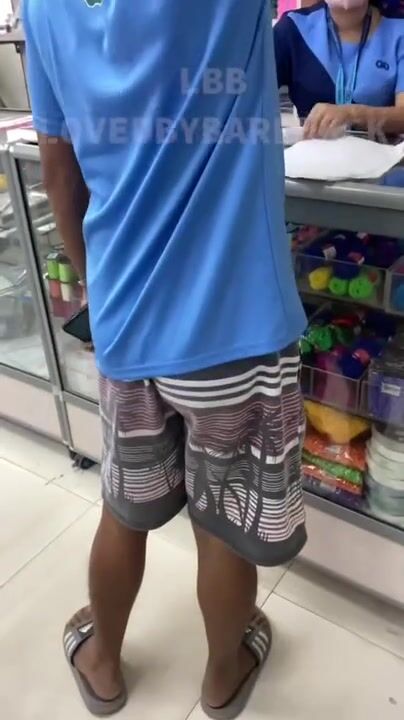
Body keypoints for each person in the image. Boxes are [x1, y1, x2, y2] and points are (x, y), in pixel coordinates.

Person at [23, 1, 307, 717]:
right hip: (233, 323)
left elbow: (58, 168)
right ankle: (222, 676)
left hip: (126, 321)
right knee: (223, 523)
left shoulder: (43, 7)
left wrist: (102, 291)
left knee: (123, 508)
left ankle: (103, 662)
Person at [274, 0, 404, 138]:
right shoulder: (292, 28)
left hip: (382, 150)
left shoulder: (399, 30)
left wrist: (353, 114)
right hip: (310, 148)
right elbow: (259, 96)